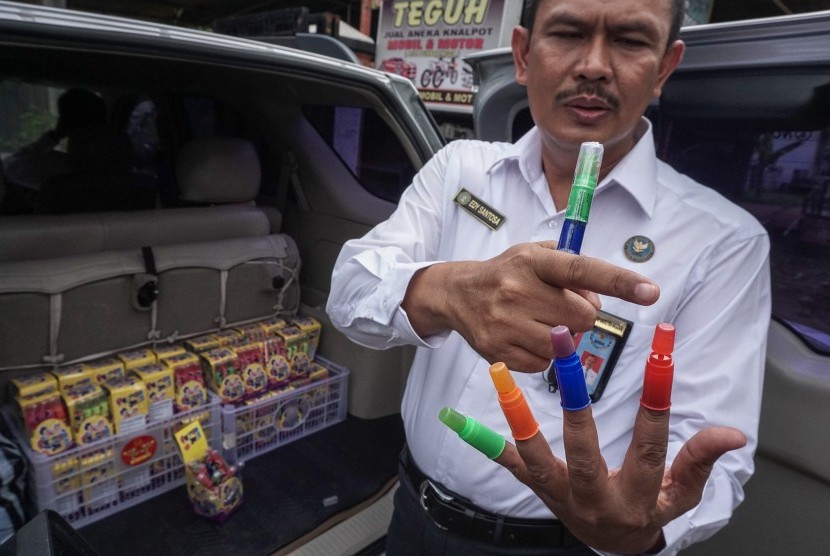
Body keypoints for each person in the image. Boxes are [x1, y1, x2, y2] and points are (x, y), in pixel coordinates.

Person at [327, 0, 770, 554]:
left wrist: (636, 528)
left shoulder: (722, 240)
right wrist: (445, 292)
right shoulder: (459, 170)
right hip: (413, 511)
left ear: (663, 68)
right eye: (568, 32)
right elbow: (349, 291)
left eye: (631, 40)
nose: (593, 65)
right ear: (521, 54)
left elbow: (708, 452)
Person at [2, 88, 107, 199]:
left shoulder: (59, 173)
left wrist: (55, 136)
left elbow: (11, 167)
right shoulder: (122, 178)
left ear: (65, 125)